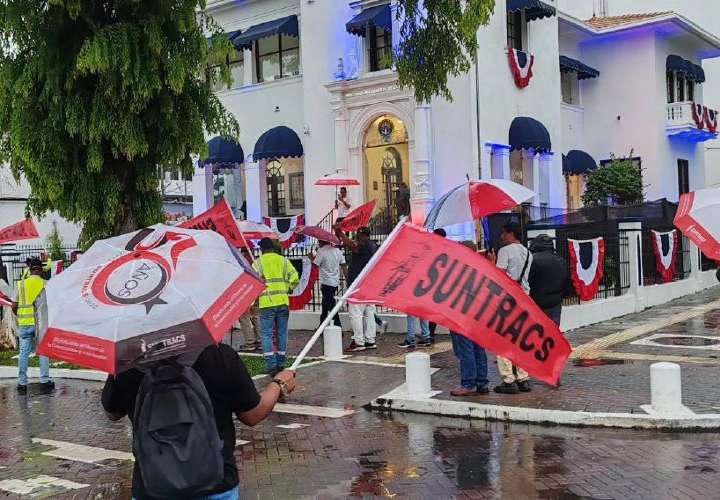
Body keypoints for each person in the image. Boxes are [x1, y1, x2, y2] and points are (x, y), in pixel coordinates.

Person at [101, 344, 297, 500]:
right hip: (215, 483)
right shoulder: (219, 354)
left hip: (152, 485)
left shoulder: (128, 361)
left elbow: (112, 413)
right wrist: (278, 384)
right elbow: (252, 415)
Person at [488, 222, 532, 395]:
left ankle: (508, 379)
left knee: (503, 339)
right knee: (520, 339)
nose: (501, 236)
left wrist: (492, 263)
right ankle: (523, 377)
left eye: (504, 233)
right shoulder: (528, 253)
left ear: (511, 233)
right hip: (524, 299)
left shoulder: (505, 251)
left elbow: (498, 277)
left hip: (508, 300)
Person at [252, 238, 299, 375]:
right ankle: (281, 362)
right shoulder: (283, 261)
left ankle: (271, 364)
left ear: (261, 249)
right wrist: (289, 288)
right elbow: (295, 277)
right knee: (282, 332)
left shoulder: (258, 263)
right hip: (283, 301)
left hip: (267, 303)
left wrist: (252, 302)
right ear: (273, 248)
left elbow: (254, 282)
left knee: (266, 334)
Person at [449, 241, 490, 397]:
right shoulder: (481, 268)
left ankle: (468, 383)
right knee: (479, 349)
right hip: (479, 315)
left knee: (466, 350)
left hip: (463, 315)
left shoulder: (461, 269)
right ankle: (482, 382)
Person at [12, 258, 53, 395]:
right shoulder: (46, 284)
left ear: (29, 270)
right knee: (43, 351)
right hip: (41, 324)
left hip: (24, 323)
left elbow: (14, 305)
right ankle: (44, 381)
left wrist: (20, 315)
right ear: (40, 270)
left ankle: (22, 384)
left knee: (23, 353)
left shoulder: (21, 284)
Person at [336, 226, 377, 352]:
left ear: (362, 235)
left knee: (356, 313)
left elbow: (351, 245)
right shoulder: (373, 246)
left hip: (358, 284)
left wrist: (340, 233)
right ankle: (370, 340)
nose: (356, 238)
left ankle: (359, 341)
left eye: (358, 236)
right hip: (369, 283)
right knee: (369, 312)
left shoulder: (364, 245)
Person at [529, 234, 570, 326]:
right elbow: (567, 283)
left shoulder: (533, 260)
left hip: (538, 303)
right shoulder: (561, 260)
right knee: (554, 332)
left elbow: (529, 281)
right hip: (555, 302)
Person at [310, 240, 348, 328]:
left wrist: (311, 258)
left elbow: (315, 265)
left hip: (326, 282)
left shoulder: (321, 251)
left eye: (319, 242)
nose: (319, 244)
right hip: (334, 282)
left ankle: (338, 326)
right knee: (325, 305)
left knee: (331, 306)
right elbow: (343, 264)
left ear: (322, 242)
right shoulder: (337, 251)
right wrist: (347, 279)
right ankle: (321, 325)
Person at [428, 228, 447, 343]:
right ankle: (430, 333)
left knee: (433, 311)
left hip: (435, 283)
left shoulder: (436, 248)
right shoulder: (446, 247)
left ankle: (430, 333)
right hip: (440, 283)